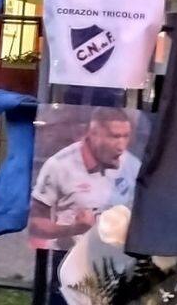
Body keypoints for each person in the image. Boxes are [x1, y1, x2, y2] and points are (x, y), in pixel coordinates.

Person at [29, 106, 140, 250]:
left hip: (116, 259)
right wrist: (74, 229)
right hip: (69, 256)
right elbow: (35, 224)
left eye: (126, 136)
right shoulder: (59, 165)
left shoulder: (133, 165)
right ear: (93, 134)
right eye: (115, 136)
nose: (121, 146)